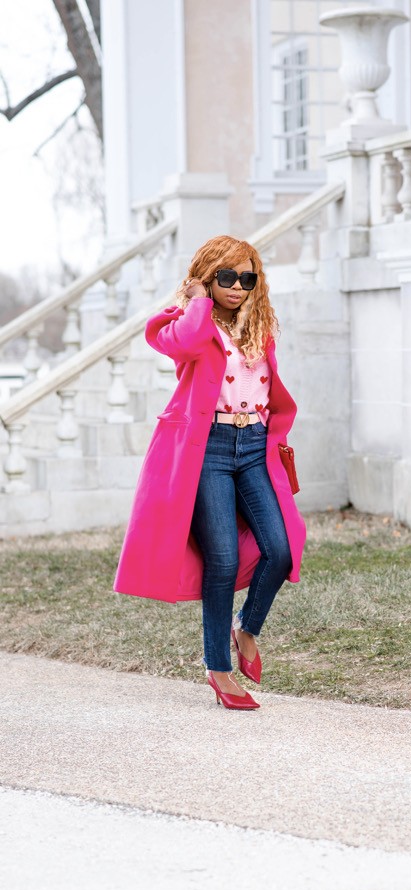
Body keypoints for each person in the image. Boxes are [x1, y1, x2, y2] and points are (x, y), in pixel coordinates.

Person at [114, 235, 306, 710]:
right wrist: (197, 301)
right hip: (210, 451)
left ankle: (247, 627)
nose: (238, 287)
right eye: (226, 277)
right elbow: (182, 342)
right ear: (207, 276)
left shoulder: (258, 326)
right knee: (220, 559)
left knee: (280, 551)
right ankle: (218, 668)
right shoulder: (187, 325)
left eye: (247, 277)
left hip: (254, 447)